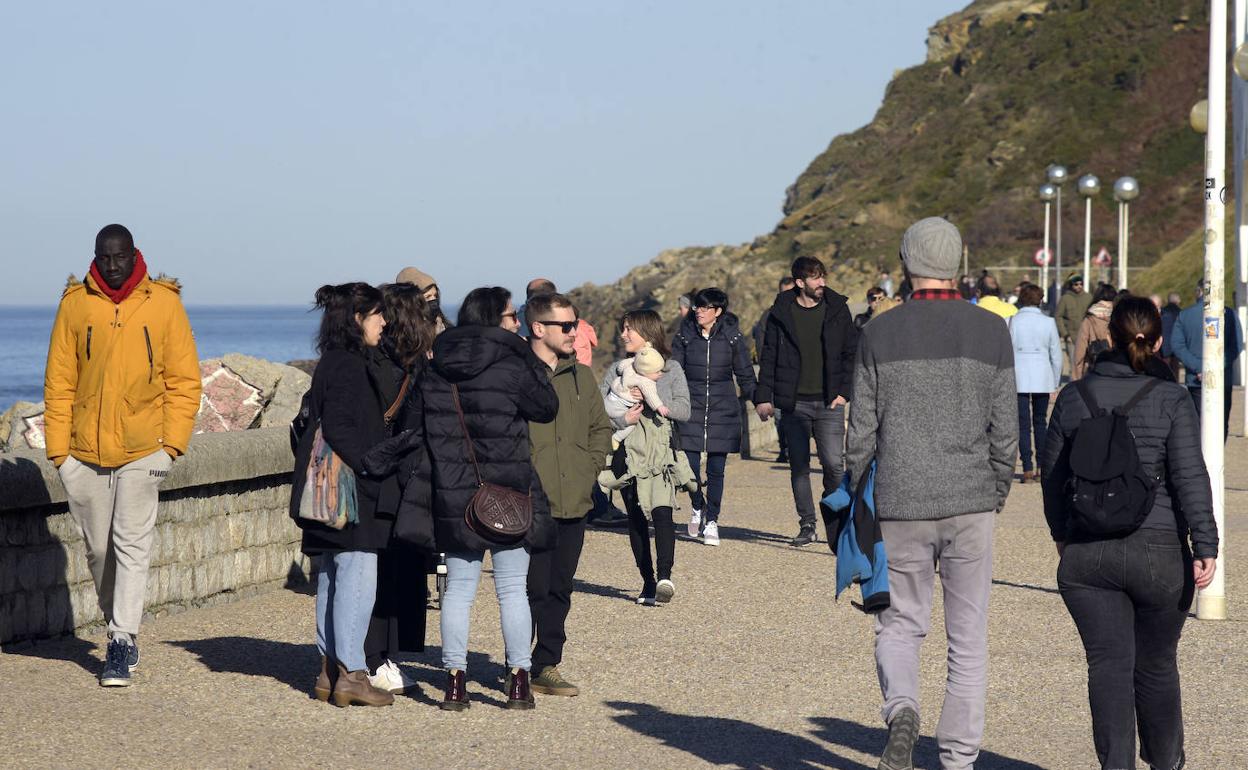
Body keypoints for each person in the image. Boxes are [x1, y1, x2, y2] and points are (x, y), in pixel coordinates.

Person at [847, 217, 1017, 770]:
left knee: (900, 623)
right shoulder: (991, 330)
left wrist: (857, 493)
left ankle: (901, 710)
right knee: (967, 639)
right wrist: (994, 490)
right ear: (959, 263)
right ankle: (959, 759)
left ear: (906, 263)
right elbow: (1006, 429)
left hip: (899, 500)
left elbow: (861, 432)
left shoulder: (878, 332)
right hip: (969, 500)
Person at [1041, 296, 1218, 770]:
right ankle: (1167, 762)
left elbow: (1053, 474)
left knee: (1108, 666)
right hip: (1159, 552)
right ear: (1158, 341)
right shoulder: (1173, 398)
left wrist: (1061, 534)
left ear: (1109, 338)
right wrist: (1205, 545)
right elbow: (1189, 476)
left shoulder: (1075, 397)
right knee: (1156, 665)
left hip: (1088, 552)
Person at [43, 224, 201, 687]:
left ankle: (121, 639)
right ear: (95, 256)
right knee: (98, 550)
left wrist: (169, 447)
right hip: (82, 452)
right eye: (104, 257)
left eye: (120, 257)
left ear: (136, 256)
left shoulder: (165, 303)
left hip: (144, 448)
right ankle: (119, 623)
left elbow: (184, 381)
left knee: (132, 543)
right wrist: (59, 454)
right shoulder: (75, 304)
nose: (112, 266)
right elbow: (59, 382)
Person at [422, 286, 558, 711]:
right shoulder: (512, 364)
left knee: (458, 592)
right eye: (511, 316)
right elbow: (546, 407)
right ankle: (519, 679)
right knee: (512, 589)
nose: (517, 322)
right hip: (508, 489)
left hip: (454, 490)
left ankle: (454, 681)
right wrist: (528, 358)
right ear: (495, 321)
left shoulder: (437, 366)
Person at [291, 282, 401, 707]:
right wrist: (372, 463)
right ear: (358, 319)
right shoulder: (351, 365)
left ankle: (328, 671)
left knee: (333, 580)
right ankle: (352, 674)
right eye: (377, 315)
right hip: (348, 493)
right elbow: (339, 427)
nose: (384, 322)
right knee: (356, 578)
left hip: (324, 493)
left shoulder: (330, 361)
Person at [524, 292, 613, 697]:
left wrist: (587, 469)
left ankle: (547, 664)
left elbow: (600, 429)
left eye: (574, 324)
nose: (573, 332)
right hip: (528, 502)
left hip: (574, 499)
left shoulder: (581, 376)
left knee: (560, 587)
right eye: (565, 326)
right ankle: (516, 664)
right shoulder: (516, 374)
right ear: (538, 328)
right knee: (529, 588)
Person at [361, 282, 437, 695]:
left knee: (390, 571)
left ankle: (384, 656)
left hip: (392, 476)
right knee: (380, 571)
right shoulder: (390, 367)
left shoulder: (394, 363)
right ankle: (374, 658)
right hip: (387, 476)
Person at [755, 256, 857, 547]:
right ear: (800, 283)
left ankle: (835, 522)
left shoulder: (838, 309)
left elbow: (852, 352)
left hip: (829, 403)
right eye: (815, 278)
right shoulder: (781, 312)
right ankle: (807, 525)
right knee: (799, 467)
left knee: (834, 466)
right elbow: (769, 356)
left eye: (822, 277)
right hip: (793, 404)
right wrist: (763, 397)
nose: (822, 283)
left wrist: (843, 392)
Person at [601, 309, 692, 604]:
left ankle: (665, 576)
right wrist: (623, 416)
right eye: (623, 328)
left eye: (629, 329)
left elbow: (685, 410)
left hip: (662, 452)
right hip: (627, 454)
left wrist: (654, 399)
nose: (623, 334)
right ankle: (647, 581)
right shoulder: (616, 370)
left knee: (663, 512)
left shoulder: (671, 368)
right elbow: (599, 414)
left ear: (647, 332)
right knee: (636, 517)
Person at [672, 287, 757, 546]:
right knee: (689, 468)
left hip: (723, 407)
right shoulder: (684, 336)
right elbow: (674, 372)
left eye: (705, 307)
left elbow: (744, 372)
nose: (699, 311)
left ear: (718, 312)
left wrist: (760, 401)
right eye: (697, 306)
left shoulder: (732, 337)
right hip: (692, 407)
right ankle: (697, 505)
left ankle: (712, 521)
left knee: (717, 469)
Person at [1171, 281, 1245, 440]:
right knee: (1221, 422)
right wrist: (1216, 367)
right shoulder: (1230, 315)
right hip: (1222, 379)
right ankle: (1217, 460)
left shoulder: (1185, 315)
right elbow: (1237, 346)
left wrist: (1199, 367)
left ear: (1198, 291)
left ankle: (1200, 459)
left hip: (1194, 380)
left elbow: (1177, 345)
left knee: (1197, 423)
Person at [1008, 284, 1062, 484]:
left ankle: (1027, 468)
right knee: (1040, 421)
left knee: (1022, 425)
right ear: (1040, 300)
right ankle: (1041, 465)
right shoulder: (1048, 322)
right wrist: (1055, 382)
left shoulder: (1012, 321)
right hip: (1042, 376)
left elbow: (1006, 353)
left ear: (1021, 299)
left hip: (1019, 376)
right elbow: (1056, 355)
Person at [754, 277, 796, 463]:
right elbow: (761, 345)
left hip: (799, 377)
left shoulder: (805, 313)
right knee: (779, 416)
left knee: (799, 417)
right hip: (778, 377)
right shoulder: (768, 315)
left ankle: (795, 448)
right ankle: (784, 448)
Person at [603, 345, 671, 443]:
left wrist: (637, 359)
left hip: (609, 400)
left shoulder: (630, 366)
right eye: (657, 372)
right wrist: (659, 407)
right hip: (620, 408)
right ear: (646, 373)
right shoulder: (646, 382)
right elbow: (651, 396)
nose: (660, 373)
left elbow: (620, 367)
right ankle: (616, 438)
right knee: (632, 424)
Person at [1072, 284, 1118, 380]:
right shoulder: (1119, 317)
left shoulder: (1089, 320)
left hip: (1093, 372)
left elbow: (1079, 354)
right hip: (1116, 371)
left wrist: (1076, 379)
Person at [396, 266, 452, 333]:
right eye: (428, 297)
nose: (434, 300)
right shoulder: (405, 331)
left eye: (435, 295)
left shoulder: (441, 323)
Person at [1056, 274, 1093, 375]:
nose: (1079, 286)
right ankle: (1073, 385)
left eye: (1081, 284)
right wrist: (1065, 334)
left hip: (1086, 337)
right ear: (1071, 285)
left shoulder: (1089, 297)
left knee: (1087, 363)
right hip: (1071, 337)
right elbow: (1058, 317)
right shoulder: (1065, 299)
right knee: (1074, 363)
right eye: (1076, 284)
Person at [1159, 291, 1184, 381]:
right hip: (1177, 348)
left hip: (1164, 347)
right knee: (1175, 373)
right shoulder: (1182, 313)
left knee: (1165, 373)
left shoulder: (1163, 312)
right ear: (1178, 300)